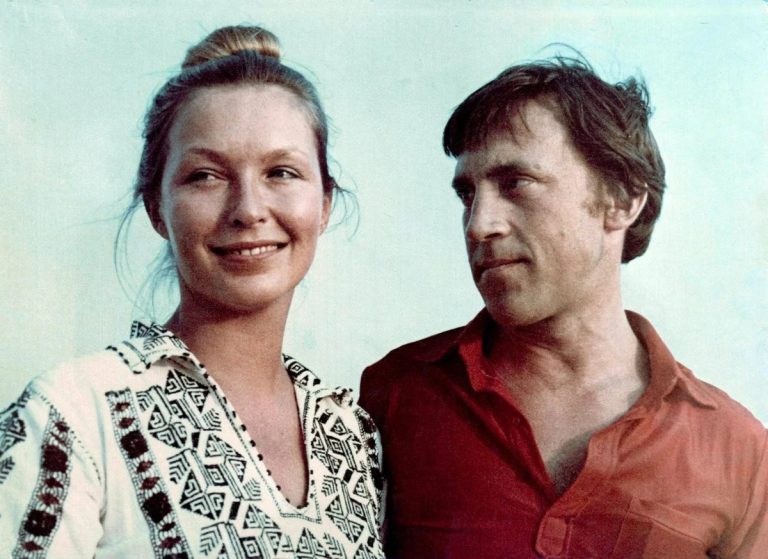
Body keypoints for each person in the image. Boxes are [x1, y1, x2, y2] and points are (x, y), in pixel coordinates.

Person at [0, 25, 384, 558]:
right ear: (157, 208)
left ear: (323, 205)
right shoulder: (72, 415)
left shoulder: (354, 436)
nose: (248, 209)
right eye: (206, 176)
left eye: (281, 172)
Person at [360, 56, 767, 558]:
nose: (479, 224)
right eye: (467, 194)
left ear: (621, 199)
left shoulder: (738, 450)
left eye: (516, 182)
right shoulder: (393, 395)